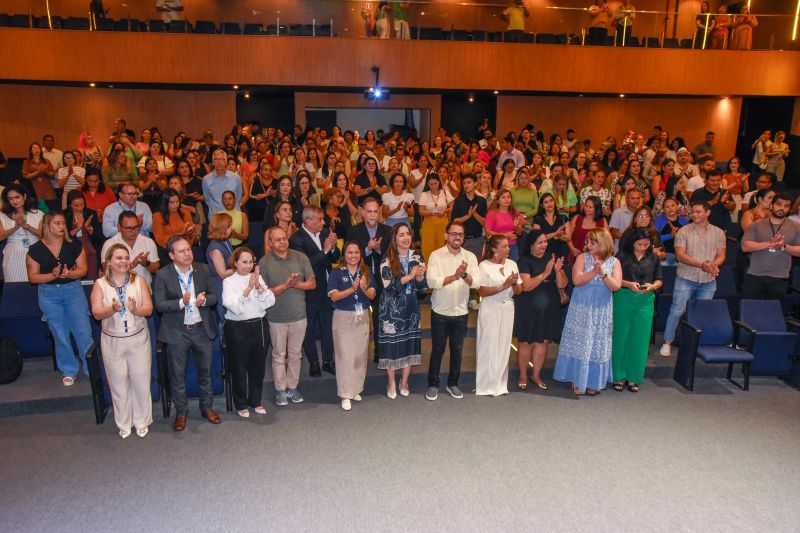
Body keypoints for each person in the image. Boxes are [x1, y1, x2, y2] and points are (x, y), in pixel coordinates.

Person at [153, 235, 221, 431]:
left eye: (189, 249)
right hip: (177, 332)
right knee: (178, 375)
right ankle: (181, 412)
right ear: (172, 255)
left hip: (201, 328)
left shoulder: (203, 269)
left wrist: (204, 301)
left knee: (206, 372)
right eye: (181, 251)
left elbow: (214, 296)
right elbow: (160, 305)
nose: (187, 254)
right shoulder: (163, 275)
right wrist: (182, 302)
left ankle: (207, 408)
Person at [90, 244, 154, 438]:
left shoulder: (139, 281)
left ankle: (142, 420)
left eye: (126, 257)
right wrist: (112, 309)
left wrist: (135, 310)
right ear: (109, 262)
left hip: (138, 339)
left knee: (141, 382)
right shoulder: (100, 284)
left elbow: (149, 309)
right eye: (119, 258)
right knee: (118, 384)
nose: (124, 261)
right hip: (113, 341)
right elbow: (96, 313)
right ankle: (124, 422)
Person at [25, 211, 94, 386]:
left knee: (83, 331)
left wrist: (69, 274)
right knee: (60, 334)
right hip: (49, 295)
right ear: (47, 225)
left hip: (73, 291)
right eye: (57, 223)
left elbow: (83, 270)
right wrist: (52, 275)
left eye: (63, 223)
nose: (62, 227)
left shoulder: (74, 245)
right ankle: (69, 369)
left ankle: (91, 368)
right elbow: (33, 277)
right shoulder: (35, 249)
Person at [553, 228, 622, 395]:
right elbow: (576, 280)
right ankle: (577, 379)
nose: (588, 245)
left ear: (603, 242)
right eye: (587, 242)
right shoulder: (582, 258)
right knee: (581, 342)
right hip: (582, 308)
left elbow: (616, 286)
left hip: (601, 311)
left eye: (592, 242)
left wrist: (604, 274)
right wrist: (593, 271)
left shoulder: (614, 262)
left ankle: (594, 382)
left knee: (598, 343)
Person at [659, 201, 726, 357]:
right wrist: (701, 264)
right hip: (685, 277)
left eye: (698, 212)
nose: (694, 215)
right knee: (677, 310)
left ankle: (695, 343)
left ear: (707, 213)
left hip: (708, 280)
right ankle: (667, 342)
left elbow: (722, 255)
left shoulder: (718, 233)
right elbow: (680, 255)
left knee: (701, 313)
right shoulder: (683, 231)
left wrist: (713, 265)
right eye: (693, 212)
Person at [258, 226, 316, 406]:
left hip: (299, 315)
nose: (282, 242)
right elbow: (263, 293)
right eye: (277, 240)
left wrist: (295, 284)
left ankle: (292, 387)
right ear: (270, 242)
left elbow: (312, 283)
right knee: (278, 355)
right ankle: (280, 390)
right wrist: (286, 285)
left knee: (295, 354)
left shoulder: (300, 257)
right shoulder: (264, 262)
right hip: (276, 317)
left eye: (284, 238)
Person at [424, 221, 480, 401]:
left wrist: (463, 275)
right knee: (437, 349)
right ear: (446, 236)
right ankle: (433, 384)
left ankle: (452, 383)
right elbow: (432, 282)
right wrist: (454, 276)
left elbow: (477, 283)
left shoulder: (470, 257)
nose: (457, 237)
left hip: (461, 312)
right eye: (454, 234)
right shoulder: (436, 255)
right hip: (440, 311)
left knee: (457, 350)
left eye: (460, 235)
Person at [222, 247, 275, 418]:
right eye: (244, 262)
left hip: (258, 325)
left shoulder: (257, 278)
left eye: (251, 262)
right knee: (239, 367)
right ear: (235, 263)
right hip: (237, 327)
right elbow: (233, 307)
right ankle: (241, 403)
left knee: (258, 367)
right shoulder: (229, 281)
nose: (248, 265)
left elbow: (269, 301)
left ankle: (256, 401)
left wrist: (258, 286)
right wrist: (248, 289)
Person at [377, 223, 427, 398]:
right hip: (390, 310)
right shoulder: (387, 259)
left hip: (411, 307)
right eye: (401, 235)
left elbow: (422, 290)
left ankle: (404, 381)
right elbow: (389, 287)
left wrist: (420, 278)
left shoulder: (417, 257)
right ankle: (391, 381)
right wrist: (411, 276)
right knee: (391, 345)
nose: (406, 238)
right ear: (394, 238)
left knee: (410, 344)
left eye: (408, 234)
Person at [289, 206, 340, 377]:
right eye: (320, 219)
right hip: (308, 291)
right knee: (308, 329)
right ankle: (313, 362)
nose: (324, 222)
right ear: (309, 221)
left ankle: (328, 361)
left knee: (328, 326)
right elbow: (305, 266)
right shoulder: (296, 240)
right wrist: (325, 250)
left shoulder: (325, 233)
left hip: (327, 288)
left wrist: (333, 248)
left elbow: (335, 258)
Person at [515, 230, 567, 390]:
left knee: (543, 342)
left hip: (549, 307)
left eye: (545, 241)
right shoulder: (523, 260)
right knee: (526, 342)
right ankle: (523, 374)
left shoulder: (551, 257)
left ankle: (536, 375)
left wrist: (557, 271)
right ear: (531, 245)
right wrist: (545, 273)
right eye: (540, 242)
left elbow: (563, 284)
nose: (544, 245)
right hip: (528, 307)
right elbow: (526, 286)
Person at [327, 241, 377, 411]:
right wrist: (351, 289)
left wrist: (362, 287)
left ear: (360, 255)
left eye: (356, 252)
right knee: (344, 356)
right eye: (350, 252)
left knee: (360, 355)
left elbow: (372, 295)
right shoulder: (336, 272)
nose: (353, 255)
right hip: (343, 316)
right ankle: (345, 393)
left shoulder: (366, 271)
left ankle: (356, 388)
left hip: (362, 316)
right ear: (344, 255)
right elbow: (333, 297)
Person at [612, 228, 663, 393]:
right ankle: (618, 376)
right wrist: (628, 284)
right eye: (640, 244)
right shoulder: (621, 256)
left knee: (640, 340)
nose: (643, 247)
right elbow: (614, 279)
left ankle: (634, 377)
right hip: (624, 297)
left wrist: (653, 286)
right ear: (632, 242)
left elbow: (660, 279)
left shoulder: (653, 257)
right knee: (621, 338)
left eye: (646, 245)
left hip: (645, 301)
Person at [475, 235, 522, 396]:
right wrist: (504, 285)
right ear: (494, 249)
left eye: (508, 246)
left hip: (508, 307)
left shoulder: (512, 264)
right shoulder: (484, 266)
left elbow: (519, 290)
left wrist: (514, 283)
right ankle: (486, 384)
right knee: (488, 344)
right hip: (490, 307)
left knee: (503, 345)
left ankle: (500, 384)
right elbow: (481, 291)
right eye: (504, 246)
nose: (508, 249)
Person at [347, 197, 391, 361]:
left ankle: (379, 351)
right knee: (359, 317)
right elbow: (348, 256)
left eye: (375, 211)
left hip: (382, 281)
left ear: (379, 212)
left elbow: (392, 257)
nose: (372, 215)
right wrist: (367, 249)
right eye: (369, 211)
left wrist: (379, 250)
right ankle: (358, 353)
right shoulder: (354, 231)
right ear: (363, 213)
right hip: (359, 280)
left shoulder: (388, 230)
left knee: (380, 316)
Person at [740, 193, 800, 300]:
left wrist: (783, 246)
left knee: (774, 312)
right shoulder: (756, 224)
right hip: (755, 275)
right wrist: (768, 244)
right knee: (751, 311)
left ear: (790, 209)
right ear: (771, 205)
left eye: (786, 206)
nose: (782, 208)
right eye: (778, 204)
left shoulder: (796, 227)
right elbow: (745, 246)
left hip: (780, 277)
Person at [100, 211, 160, 287]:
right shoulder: (109, 244)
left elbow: (156, 268)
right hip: (118, 290)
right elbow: (107, 271)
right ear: (119, 227)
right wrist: (132, 264)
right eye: (128, 228)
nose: (133, 231)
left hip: (144, 290)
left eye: (136, 227)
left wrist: (146, 263)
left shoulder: (148, 241)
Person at [0, 185, 43, 282]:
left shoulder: (38, 213)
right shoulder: (2, 215)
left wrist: (27, 226)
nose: (14, 201)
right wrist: (16, 227)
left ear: (24, 196)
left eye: (17, 197)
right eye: (10, 199)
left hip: (35, 254)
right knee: (14, 289)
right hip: (13, 256)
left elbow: (43, 235)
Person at [64, 190, 102, 280]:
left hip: (89, 249)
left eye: (82, 204)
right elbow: (63, 237)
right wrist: (78, 228)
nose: (80, 207)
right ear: (70, 205)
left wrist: (89, 228)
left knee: (91, 279)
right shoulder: (64, 215)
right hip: (71, 250)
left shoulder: (90, 213)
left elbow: (98, 236)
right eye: (76, 205)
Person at [450, 173, 488, 260]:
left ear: (475, 183)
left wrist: (475, 214)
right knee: (459, 267)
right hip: (461, 239)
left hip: (477, 239)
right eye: (464, 183)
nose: (466, 185)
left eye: (469, 182)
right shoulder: (458, 200)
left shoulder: (481, 201)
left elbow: (485, 223)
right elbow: (454, 221)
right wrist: (467, 216)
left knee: (475, 267)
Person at [205, 213, 235, 321]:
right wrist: (240, 268)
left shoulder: (225, 241)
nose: (232, 228)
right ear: (223, 228)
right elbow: (222, 274)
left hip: (229, 284)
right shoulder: (215, 248)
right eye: (230, 225)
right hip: (220, 286)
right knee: (225, 318)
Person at [418, 173, 454, 261]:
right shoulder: (424, 194)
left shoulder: (445, 192)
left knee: (443, 247)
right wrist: (431, 213)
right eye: (431, 184)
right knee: (428, 247)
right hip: (429, 224)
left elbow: (452, 207)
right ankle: (428, 268)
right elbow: (421, 211)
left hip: (443, 224)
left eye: (435, 183)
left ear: (439, 182)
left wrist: (445, 211)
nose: (433, 186)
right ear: (427, 184)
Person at [152, 188, 199, 253]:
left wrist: (190, 232)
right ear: (165, 202)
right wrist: (181, 233)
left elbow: (192, 234)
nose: (176, 205)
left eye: (177, 201)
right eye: (172, 203)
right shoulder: (158, 216)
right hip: (168, 251)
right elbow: (160, 239)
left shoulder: (185, 212)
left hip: (186, 248)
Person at [485, 188, 524, 261]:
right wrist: (505, 235)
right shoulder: (492, 213)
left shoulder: (514, 212)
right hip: (497, 247)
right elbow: (487, 232)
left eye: (508, 197)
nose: (506, 199)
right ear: (497, 201)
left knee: (512, 269)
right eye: (503, 197)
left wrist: (517, 226)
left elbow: (519, 233)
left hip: (512, 246)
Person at [202, 149, 242, 218]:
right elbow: (207, 200)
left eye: (222, 159)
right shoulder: (206, 179)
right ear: (212, 162)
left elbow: (238, 198)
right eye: (216, 159)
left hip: (234, 217)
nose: (219, 162)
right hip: (215, 218)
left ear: (226, 162)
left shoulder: (236, 178)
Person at [567, 196, 607, 265]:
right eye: (586, 206)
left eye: (590, 207)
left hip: (596, 258)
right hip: (576, 256)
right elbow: (567, 237)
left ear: (596, 209)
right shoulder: (576, 218)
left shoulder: (602, 221)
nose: (587, 209)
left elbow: (607, 241)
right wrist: (572, 248)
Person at [532, 192, 570, 260]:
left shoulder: (563, 218)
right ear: (542, 205)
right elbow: (537, 238)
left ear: (554, 202)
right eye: (546, 202)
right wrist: (555, 233)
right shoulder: (538, 220)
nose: (549, 204)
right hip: (544, 254)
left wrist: (560, 236)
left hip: (561, 253)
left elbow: (568, 238)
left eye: (551, 201)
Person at [654, 197, 690, 266]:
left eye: (673, 205)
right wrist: (670, 235)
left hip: (682, 255)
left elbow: (690, 239)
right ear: (663, 210)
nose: (670, 208)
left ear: (677, 207)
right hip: (665, 255)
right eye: (667, 207)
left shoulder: (684, 220)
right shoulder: (659, 220)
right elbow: (654, 239)